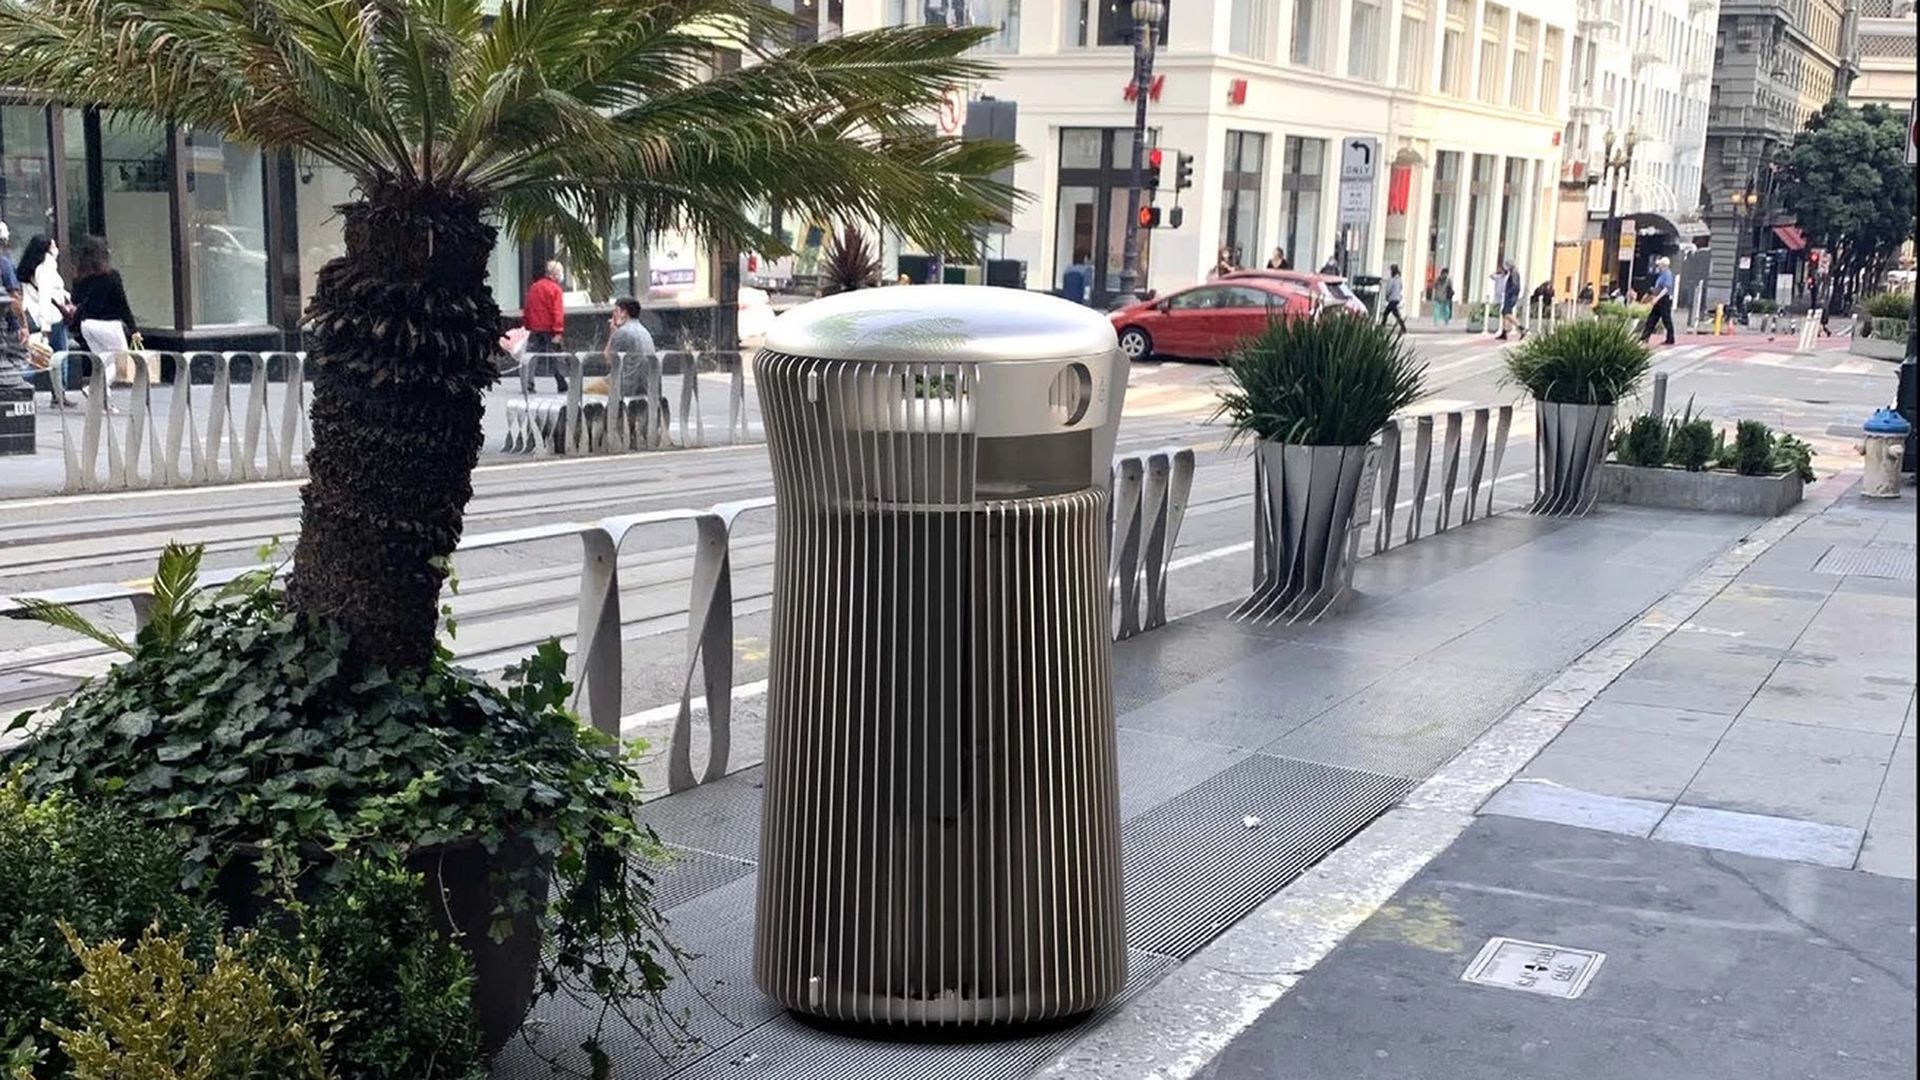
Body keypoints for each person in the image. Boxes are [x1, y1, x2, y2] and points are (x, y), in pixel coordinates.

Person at [69, 235, 141, 386]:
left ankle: (103, 400)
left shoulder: (81, 277)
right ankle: (94, 388)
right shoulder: (111, 276)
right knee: (122, 361)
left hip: (87, 325)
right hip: (109, 325)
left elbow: (75, 300)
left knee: (102, 363)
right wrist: (133, 329)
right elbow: (122, 304)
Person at [17, 234, 75, 405]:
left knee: (39, 355)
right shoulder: (47, 266)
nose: (56, 248)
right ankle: (59, 393)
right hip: (51, 318)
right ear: (47, 248)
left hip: (36, 316)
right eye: (53, 245)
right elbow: (45, 295)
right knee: (57, 356)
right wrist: (46, 325)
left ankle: (20, 384)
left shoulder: (30, 267)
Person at [521, 260, 567, 392]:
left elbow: (527, 308)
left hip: (535, 328)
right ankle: (561, 382)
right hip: (550, 329)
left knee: (531, 356)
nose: (561, 275)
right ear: (555, 274)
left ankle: (528, 384)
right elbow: (557, 311)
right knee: (556, 357)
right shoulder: (555, 289)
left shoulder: (534, 287)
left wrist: (527, 325)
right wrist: (558, 331)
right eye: (560, 272)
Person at [605, 297, 657, 400]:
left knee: (588, 390)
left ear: (624, 313)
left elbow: (608, 361)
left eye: (616, 311)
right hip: (646, 385)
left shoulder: (622, 332)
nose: (613, 315)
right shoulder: (645, 331)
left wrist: (612, 333)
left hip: (627, 386)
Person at [1639, 255, 1677, 346]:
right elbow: (1657, 288)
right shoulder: (1661, 275)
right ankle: (1644, 337)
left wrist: (1657, 298)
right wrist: (1650, 295)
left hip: (1664, 300)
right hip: (1659, 299)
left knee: (1666, 319)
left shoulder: (1667, 274)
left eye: (1660, 265)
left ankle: (1670, 338)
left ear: (1664, 265)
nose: (1658, 266)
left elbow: (1666, 289)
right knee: (1652, 318)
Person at [1496, 260, 1526, 341]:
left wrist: (1509, 293)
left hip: (1511, 297)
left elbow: (1515, 286)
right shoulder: (1512, 273)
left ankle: (1521, 328)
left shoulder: (1514, 274)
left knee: (1507, 313)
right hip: (1509, 296)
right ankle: (1504, 332)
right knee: (1504, 313)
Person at [1379, 264, 1407, 333]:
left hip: (1392, 299)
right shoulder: (1399, 279)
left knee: (1387, 313)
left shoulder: (1391, 279)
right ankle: (1403, 328)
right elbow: (1401, 287)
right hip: (1397, 298)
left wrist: (1387, 296)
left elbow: (1389, 289)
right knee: (1394, 313)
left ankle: (1383, 326)